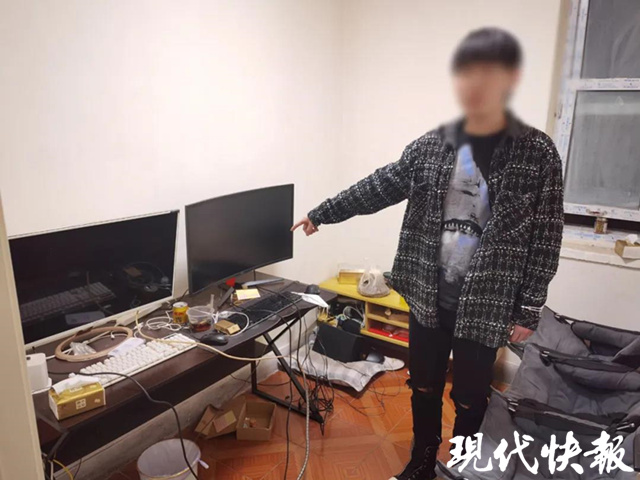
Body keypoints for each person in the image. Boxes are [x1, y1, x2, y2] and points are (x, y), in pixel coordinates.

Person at [292, 27, 564, 480]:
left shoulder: (537, 153)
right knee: (423, 385)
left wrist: (529, 309)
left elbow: (546, 237)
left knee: (471, 396)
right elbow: (380, 185)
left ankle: (464, 465)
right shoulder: (432, 146)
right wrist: (323, 213)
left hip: (488, 303)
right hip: (427, 297)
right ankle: (422, 459)